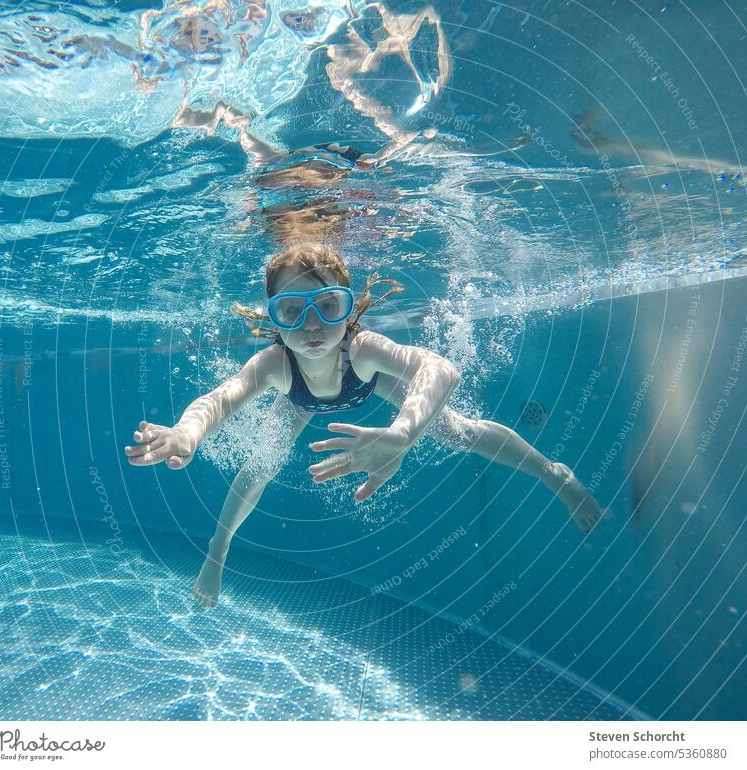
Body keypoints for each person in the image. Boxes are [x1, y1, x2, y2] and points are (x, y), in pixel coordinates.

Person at [124, 242, 604, 608]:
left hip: (366, 382)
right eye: (292, 311)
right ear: (273, 319)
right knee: (261, 464)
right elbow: (218, 400)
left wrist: (400, 435)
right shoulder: (274, 363)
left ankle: (552, 473)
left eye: (327, 307)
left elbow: (441, 370)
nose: (312, 326)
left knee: (456, 430)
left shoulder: (364, 348)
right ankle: (218, 546)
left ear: (349, 309)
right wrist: (187, 433)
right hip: (299, 399)